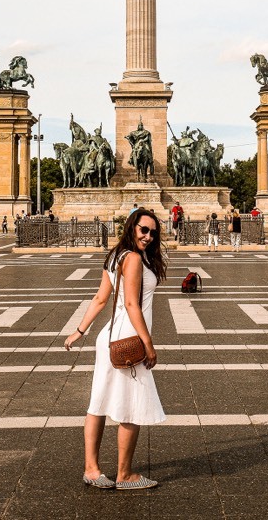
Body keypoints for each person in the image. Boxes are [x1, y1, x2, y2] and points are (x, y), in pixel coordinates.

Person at [63, 207, 166, 490]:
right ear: (132, 227)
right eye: (143, 230)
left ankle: (92, 469)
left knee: (98, 403)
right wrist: (148, 343)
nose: (148, 236)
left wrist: (80, 330)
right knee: (132, 407)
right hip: (130, 340)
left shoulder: (116, 255)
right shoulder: (132, 259)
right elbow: (132, 304)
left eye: (153, 232)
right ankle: (125, 474)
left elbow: (99, 298)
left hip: (109, 338)